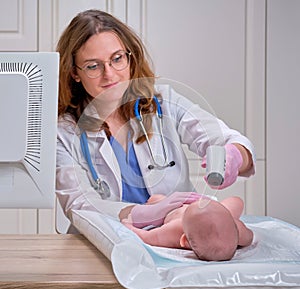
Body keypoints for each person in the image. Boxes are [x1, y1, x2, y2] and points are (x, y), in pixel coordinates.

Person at [55, 9, 256, 225]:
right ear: (74, 72)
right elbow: (79, 204)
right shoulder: (64, 132)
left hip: (180, 232)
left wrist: (234, 156)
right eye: (93, 66)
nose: (109, 74)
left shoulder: (164, 103)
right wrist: (143, 214)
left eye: (117, 58)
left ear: (130, 57)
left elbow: (227, 139)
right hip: (108, 239)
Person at [119, 193, 254, 261]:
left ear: (184, 240)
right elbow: (250, 236)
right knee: (237, 201)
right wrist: (243, 235)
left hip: (173, 207)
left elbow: (146, 237)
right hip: (209, 207)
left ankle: (159, 200)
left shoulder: (174, 230)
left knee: (156, 199)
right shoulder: (237, 229)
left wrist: (128, 225)